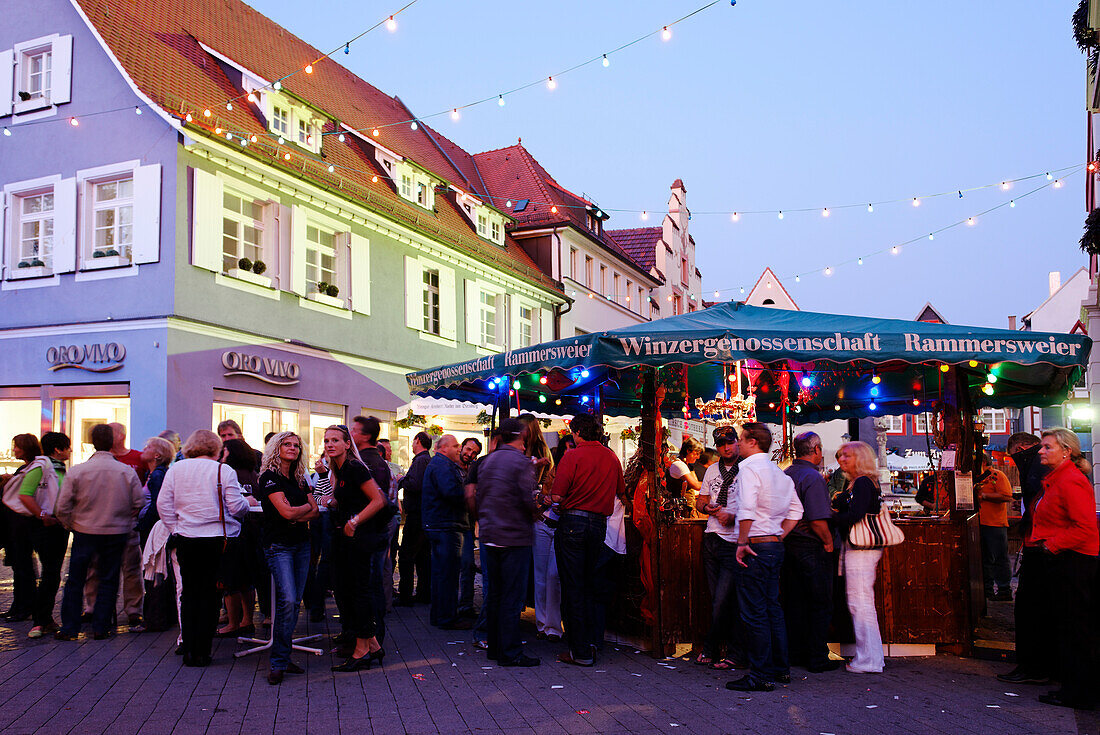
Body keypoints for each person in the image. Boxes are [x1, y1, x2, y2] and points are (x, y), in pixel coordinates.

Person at [156, 430, 250, 666]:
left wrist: (175, 527)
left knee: (189, 593)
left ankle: (188, 648)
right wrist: (246, 505)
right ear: (216, 448)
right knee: (210, 595)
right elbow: (236, 507)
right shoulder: (223, 470)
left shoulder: (176, 469)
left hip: (187, 537)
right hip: (217, 539)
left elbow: (163, 504)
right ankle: (203, 651)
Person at [725, 423, 803, 692]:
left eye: (741, 440)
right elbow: (796, 511)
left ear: (752, 442)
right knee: (772, 609)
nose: (737, 445)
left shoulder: (748, 470)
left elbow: (746, 509)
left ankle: (760, 674)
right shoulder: (780, 474)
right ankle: (780, 670)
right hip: (773, 546)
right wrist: (779, 535)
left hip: (756, 545)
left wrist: (743, 542)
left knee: (755, 612)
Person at [55, 424, 144, 641]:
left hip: (84, 530)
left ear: (93, 442)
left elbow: (62, 507)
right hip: (116, 531)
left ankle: (70, 627)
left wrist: (71, 524)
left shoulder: (78, 470)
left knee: (76, 579)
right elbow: (138, 502)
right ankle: (101, 627)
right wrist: (123, 518)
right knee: (109, 578)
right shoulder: (125, 471)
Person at [1030, 428, 1098, 710]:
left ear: (1066, 451)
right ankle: (1073, 688)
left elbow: (1085, 526)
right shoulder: (1059, 479)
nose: (1040, 451)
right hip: (1066, 558)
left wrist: (1052, 546)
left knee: (1076, 628)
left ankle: (1079, 693)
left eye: (1047, 447)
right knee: (1068, 627)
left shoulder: (1070, 481)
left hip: (1074, 561)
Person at [551, 412, 625, 667]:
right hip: (598, 525)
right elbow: (620, 491)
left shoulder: (572, 456)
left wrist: (560, 501)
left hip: (573, 523)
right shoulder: (611, 456)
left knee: (573, 585)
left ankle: (579, 650)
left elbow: (557, 496)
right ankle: (590, 642)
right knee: (588, 583)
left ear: (578, 432)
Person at [256, 431, 319, 684]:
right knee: (289, 600)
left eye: (296, 445)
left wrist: (299, 512)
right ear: (276, 448)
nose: (293, 448)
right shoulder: (269, 478)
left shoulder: (300, 478)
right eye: (287, 444)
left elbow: (314, 513)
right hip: (278, 546)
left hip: (302, 545)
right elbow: (287, 513)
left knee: (293, 603)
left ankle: (283, 657)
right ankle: (278, 662)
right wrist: (303, 510)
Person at [475, 418, 539, 667]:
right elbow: (526, 498)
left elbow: (478, 494)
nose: (525, 446)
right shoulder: (520, 462)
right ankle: (511, 652)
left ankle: (494, 647)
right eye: (524, 441)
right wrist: (535, 511)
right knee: (512, 597)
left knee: (495, 595)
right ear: (520, 436)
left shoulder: (487, 461)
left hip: (491, 536)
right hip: (514, 537)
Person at [324, 424, 389, 671]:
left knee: (359, 592)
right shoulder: (339, 469)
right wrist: (332, 500)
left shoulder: (353, 467)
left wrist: (354, 520)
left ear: (347, 444)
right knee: (349, 590)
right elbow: (347, 498)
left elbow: (378, 500)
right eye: (327, 440)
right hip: (347, 539)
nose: (330, 444)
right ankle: (372, 645)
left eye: (335, 440)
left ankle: (362, 651)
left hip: (360, 538)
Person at [998, 432, 1054, 685]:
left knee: (1031, 608)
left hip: (1041, 545)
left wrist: (1041, 540)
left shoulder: (1040, 469)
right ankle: (1035, 665)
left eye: (1047, 447)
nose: (1042, 451)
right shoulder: (1041, 468)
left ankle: (1034, 666)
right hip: (1038, 542)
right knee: (1032, 607)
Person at [782, 432, 840, 673]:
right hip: (809, 546)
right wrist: (828, 542)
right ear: (816, 449)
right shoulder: (812, 477)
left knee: (794, 602)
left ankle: (796, 652)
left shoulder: (786, 474)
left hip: (788, 546)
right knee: (819, 602)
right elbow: (817, 519)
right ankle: (817, 656)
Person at [693, 426, 746, 670]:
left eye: (730, 442)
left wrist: (733, 516)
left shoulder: (747, 468)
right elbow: (701, 499)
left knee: (725, 599)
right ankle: (727, 651)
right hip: (711, 538)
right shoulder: (712, 469)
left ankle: (717, 648)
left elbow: (756, 505)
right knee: (717, 598)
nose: (726, 447)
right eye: (721, 444)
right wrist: (707, 509)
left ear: (738, 442)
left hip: (733, 542)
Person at [832, 441, 885, 675]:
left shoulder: (862, 483)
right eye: (841, 456)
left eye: (847, 456)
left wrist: (829, 517)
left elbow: (855, 515)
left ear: (859, 458)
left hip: (861, 549)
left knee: (860, 603)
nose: (842, 460)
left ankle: (869, 660)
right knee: (861, 603)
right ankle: (871, 657)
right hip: (861, 548)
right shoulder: (860, 482)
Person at [11, 432, 71, 637]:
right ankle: (40, 619)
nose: (70, 450)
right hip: (45, 526)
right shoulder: (42, 467)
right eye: (67, 446)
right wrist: (42, 514)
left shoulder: (58, 468)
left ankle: (44, 618)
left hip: (58, 525)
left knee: (52, 573)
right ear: (58, 450)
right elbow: (25, 495)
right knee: (51, 573)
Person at [349, 416, 393, 635]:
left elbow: (377, 500)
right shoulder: (372, 459)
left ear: (366, 436)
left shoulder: (367, 463)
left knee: (368, 585)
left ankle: (373, 636)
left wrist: (354, 521)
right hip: (374, 531)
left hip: (369, 532)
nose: (351, 434)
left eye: (354, 430)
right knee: (370, 583)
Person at [422, 434, 471, 630]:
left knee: (442, 573)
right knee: (447, 575)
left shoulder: (440, 464)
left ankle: (440, 615)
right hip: (445, 525)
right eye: (456, 445)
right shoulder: (442, 465)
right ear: (443, 448)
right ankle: (446, 618)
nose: (459, 448)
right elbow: (451, 492)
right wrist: (470, 494)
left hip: (440, 524)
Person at [521, 413, 562, 643]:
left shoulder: (541, 453)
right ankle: (543, 623)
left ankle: (551, 625)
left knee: (550, 575)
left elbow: (543, 489)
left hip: (546, 518)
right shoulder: (531, 453)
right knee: (542, 575)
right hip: (539, 518)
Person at [216, 438, 261, 639]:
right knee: (247, 580)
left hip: (234, 533)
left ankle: (233, 623)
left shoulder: (228, 474)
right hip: (252, 533)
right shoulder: (254, 475)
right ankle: (247, 620)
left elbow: (231, 505)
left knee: (230, 580)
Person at [2, 433, 44, 621]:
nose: (14, 449)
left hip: (21, 525)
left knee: (23, 566)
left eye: (17, 446)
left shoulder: (31, 468)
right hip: (17, 525)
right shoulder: (25, 468)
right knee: (21, 566)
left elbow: (24, 495)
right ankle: (19, 605)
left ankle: (23, 606)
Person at [136, 437, 176, 633]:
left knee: (154, 570)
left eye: (148, 446)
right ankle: (162, 616)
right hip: (154, 528)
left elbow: (159, 505)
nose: (144, 448)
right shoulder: (154, 474)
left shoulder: (158, 476)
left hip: (153, 530)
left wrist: (142, 523)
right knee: (159, 571)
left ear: (157, 455)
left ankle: (156, 618)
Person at [464, 430, 500, 648]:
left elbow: (469, 495)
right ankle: (485, 632)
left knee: (493, 582)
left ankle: (488, 632)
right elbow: (469, 495)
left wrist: (479, 518)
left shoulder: (481, 464)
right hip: (497, 530)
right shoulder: (489, 464)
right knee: (495, 583)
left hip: (490, 528)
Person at [396, 432, 432, 606]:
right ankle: (424, 593)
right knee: (423, 556)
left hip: (416, 515)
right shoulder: (426, 460)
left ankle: (405, 595)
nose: (411, 445)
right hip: (423, 515)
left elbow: (415, 484)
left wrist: (401, 480)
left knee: (406, 556)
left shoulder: (420, 461)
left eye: (413, 442)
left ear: (417, 441)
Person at [975, 453, 1013, 601]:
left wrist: (984, 496)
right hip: (980, 524)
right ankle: (987, 590)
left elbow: (1007, 496)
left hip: (995, 524)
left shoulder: (996, 475)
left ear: (982, 461)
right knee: (984, 559)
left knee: (999, 558)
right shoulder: (976, 477)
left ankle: (1004, 589)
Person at [458, 437, 482, 618]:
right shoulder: (451, 466)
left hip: (466, 525)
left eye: (474, 453)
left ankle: (465, 605)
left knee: (467, 565)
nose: (469, 454)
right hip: (454, 525)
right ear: (461, 447)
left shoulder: (473, 469)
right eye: (468, 449)